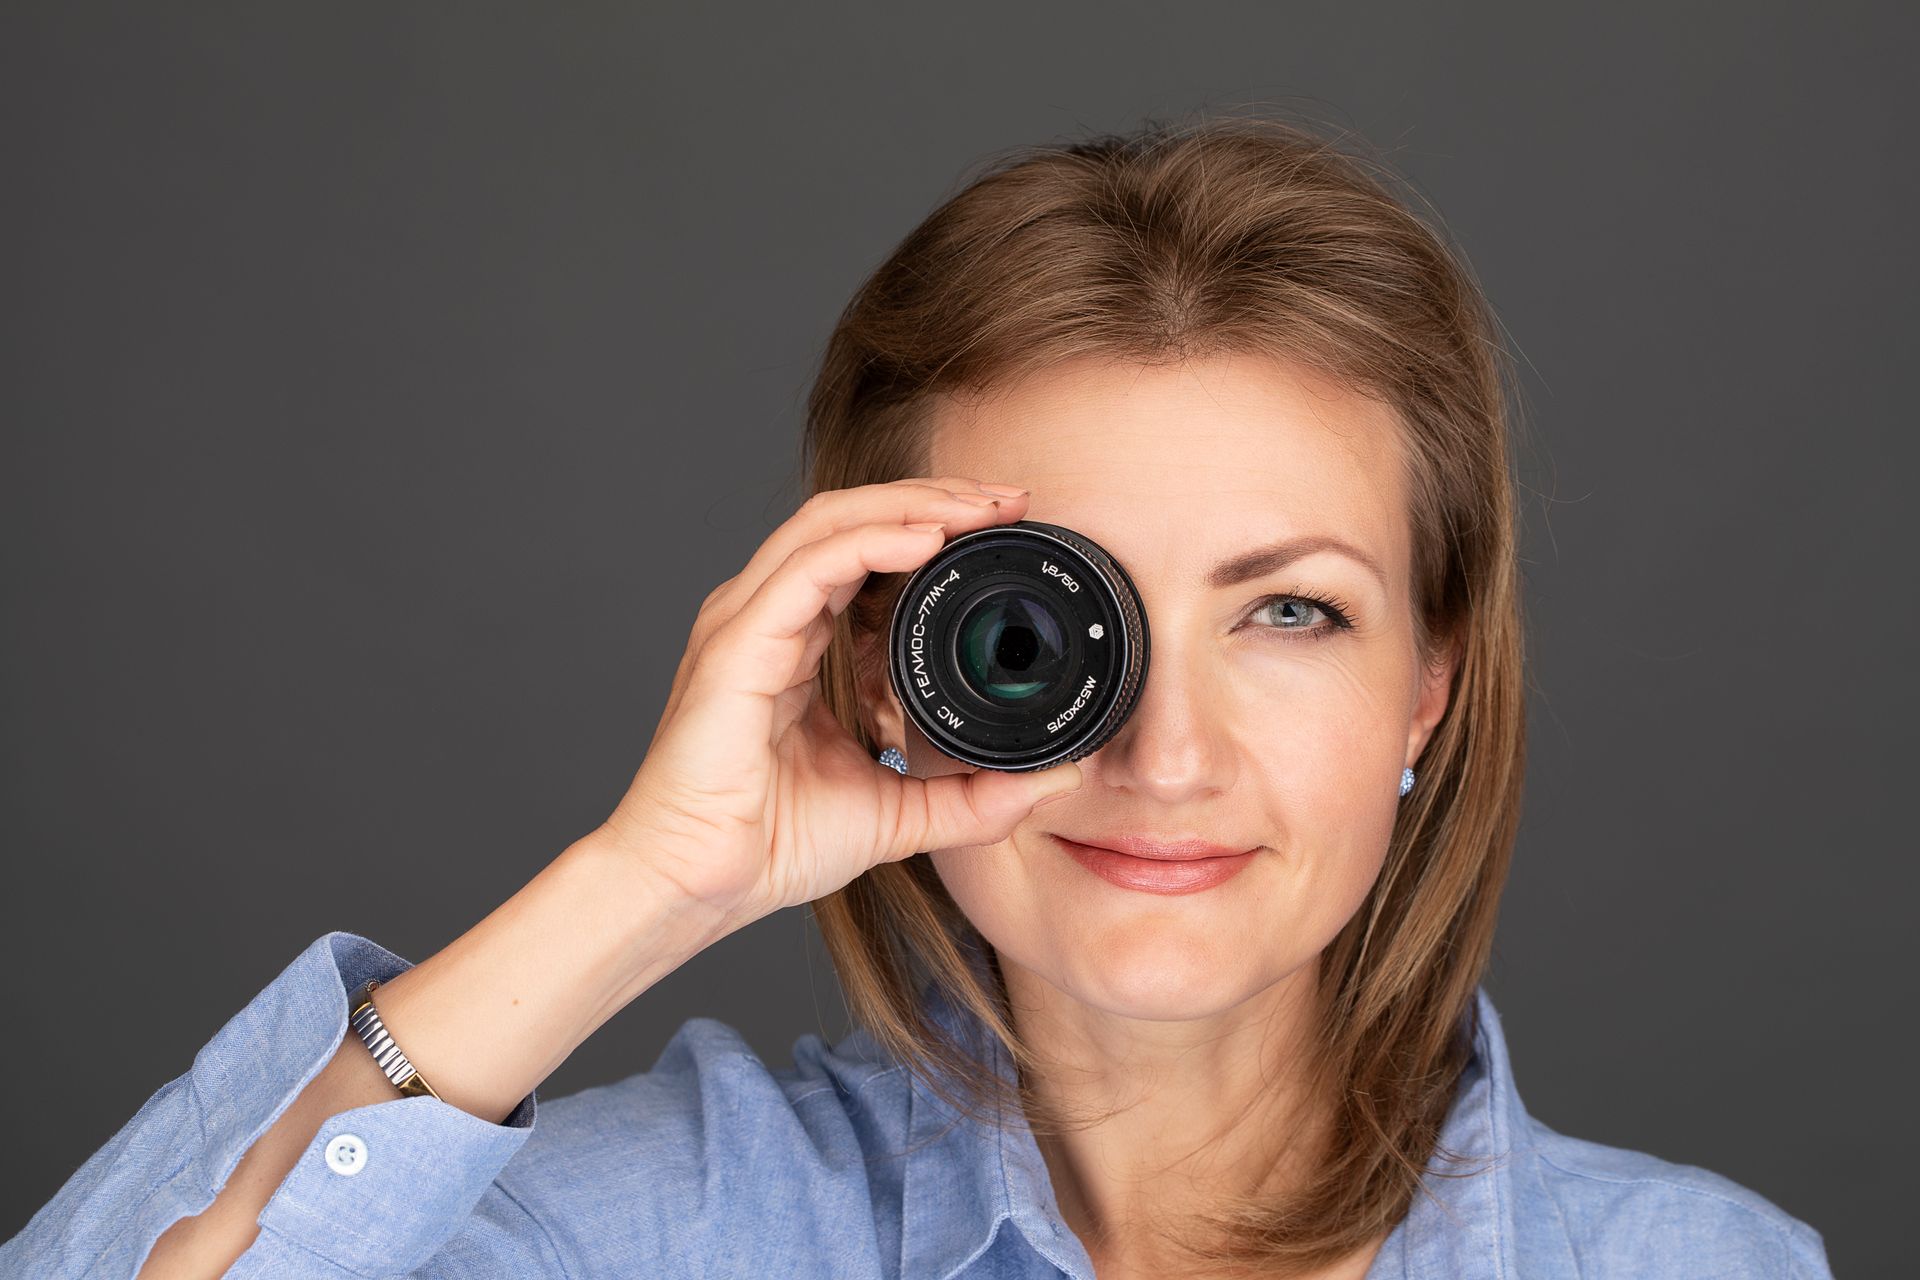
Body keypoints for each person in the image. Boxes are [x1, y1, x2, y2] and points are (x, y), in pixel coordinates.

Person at [2, 117, 1833, 1280]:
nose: (1166, 754)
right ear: (890, 660)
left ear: (1433, 682)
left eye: (1289, 610)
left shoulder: (1698, 1265)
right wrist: (656, 878)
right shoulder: (659, 1232)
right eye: (1054, 630)